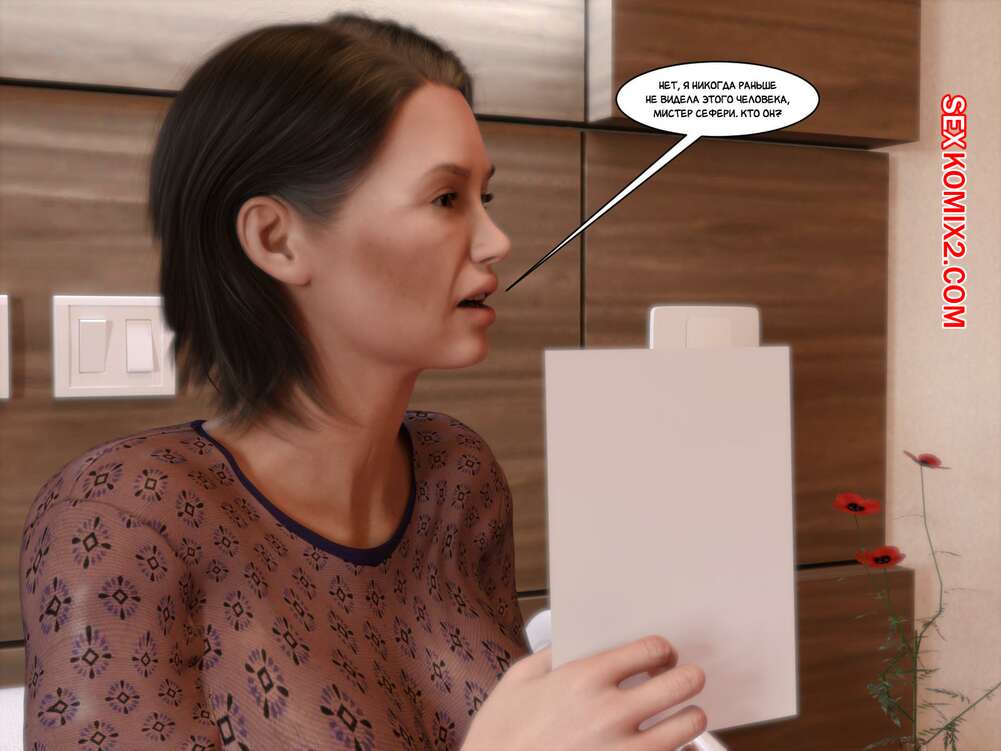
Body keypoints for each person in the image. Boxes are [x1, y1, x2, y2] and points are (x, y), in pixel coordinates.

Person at [19, 12, 706, 750]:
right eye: (445, 199)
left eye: (484, 199)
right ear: (277, 240)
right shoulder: (120, 519)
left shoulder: (458, 477)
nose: (496, 241)